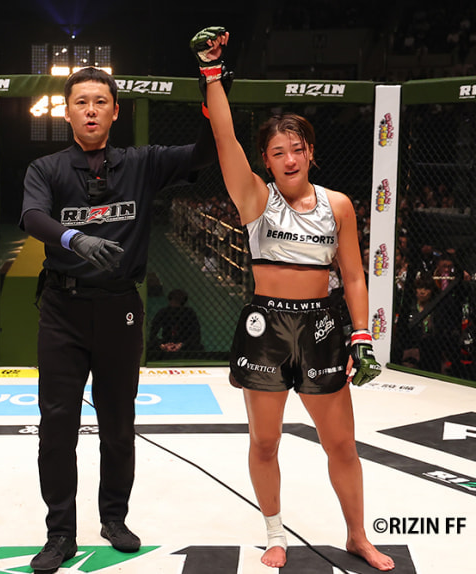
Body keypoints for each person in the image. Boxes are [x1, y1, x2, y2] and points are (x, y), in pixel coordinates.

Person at [197, 27, 394, 571]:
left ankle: (357, 535)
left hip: (323, 328)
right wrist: (211, 73)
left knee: (342, 445)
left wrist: (362, 334)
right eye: (278, 152)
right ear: (265, 160)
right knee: (265, 442)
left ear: (310, 152)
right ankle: (274, 532)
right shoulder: (254, 198)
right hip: (267, 327)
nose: (289, 159)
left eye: (297, 149)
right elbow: (224, 138)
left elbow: (353, 276)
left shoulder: (339, 205)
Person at [20, 64, 219, 571]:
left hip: (119, 308)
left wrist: (211, 88)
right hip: (63, 309)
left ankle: (114, 518)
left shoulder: (142, 163)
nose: (91, 110)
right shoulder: (46, 167)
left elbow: (206, 151)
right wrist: (74, 238)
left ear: (115, 112)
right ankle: (60, 532)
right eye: (81, 102)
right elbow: (33, 217)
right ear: (67, 112)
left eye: (100, 102)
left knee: (118, 422)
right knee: (57, 425)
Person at [148, 288, 203, 360]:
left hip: (184, 343)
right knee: (149, 346)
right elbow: (152, 333)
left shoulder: (189, 313)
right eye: (173, 301)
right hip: (166, 341)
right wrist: (162, 345)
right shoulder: (163, 312)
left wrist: (181, 344)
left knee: (198, 347)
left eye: (177, 302)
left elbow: (196, 335)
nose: (174, 304)